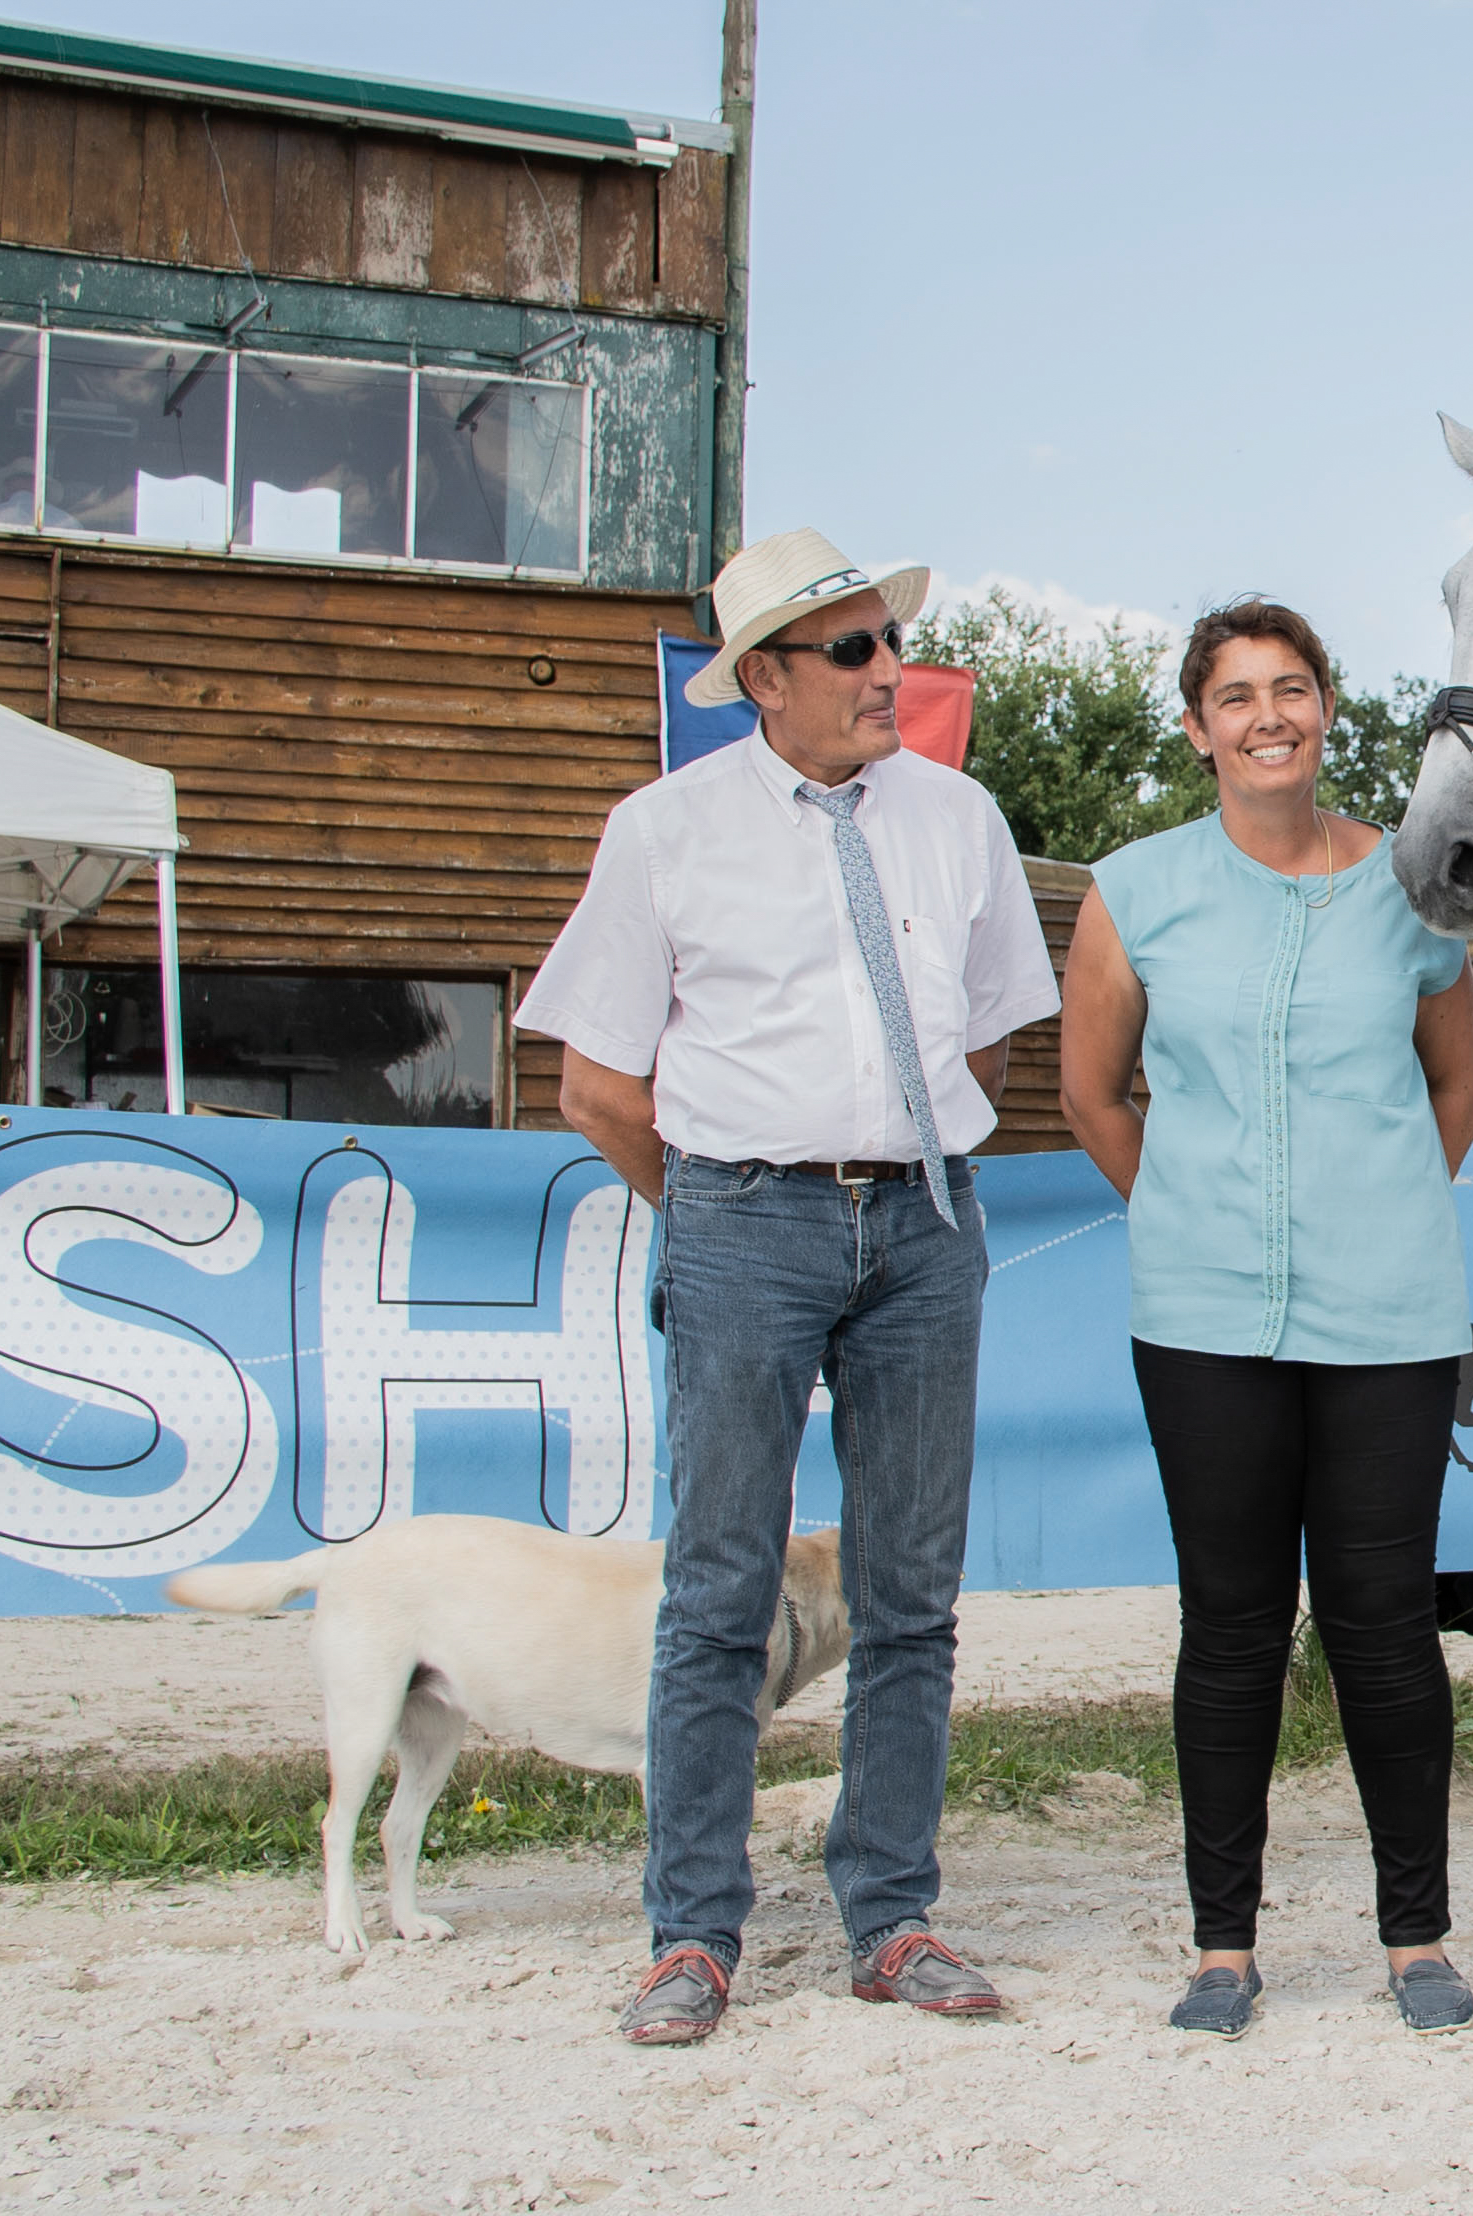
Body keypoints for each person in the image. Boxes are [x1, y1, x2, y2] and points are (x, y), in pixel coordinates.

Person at [518, 527, 1060, 2045]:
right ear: (763, 678)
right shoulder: (663, 830)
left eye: (893, 640)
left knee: (911, 1594)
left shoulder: (960, 816)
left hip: (924, 1224)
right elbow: (595, 1086)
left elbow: (987, 1041)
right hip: (742, 1217)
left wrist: (888, 1157)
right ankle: (693, 1934)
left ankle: (891, 1915)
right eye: (855, 649)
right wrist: (725, 1208)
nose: (892, 671)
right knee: (719, 1588)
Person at [1055, 596, 1473, 2041]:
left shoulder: (1415, 887)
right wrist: (1189, 1212)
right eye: (1236, 696)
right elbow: (1092, 1095)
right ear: (1199, 728)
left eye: (1290, 688)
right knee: (1233, 1629)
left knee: (1385, 1628)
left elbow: (1455, 1085)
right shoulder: (1135, 891)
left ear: (1326, 709)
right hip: (1203, 1321)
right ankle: (1223, 1946)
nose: (1267, 717)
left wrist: (1379, 1213)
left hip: (1392, 1322)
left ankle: (1417, 1935)